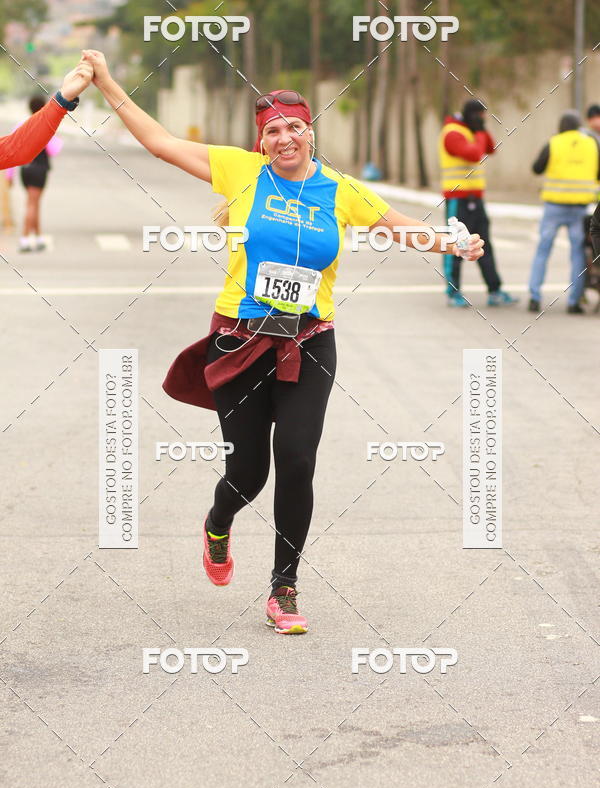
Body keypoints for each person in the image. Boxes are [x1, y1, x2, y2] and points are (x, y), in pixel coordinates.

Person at [83, 49, 484, 636]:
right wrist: (110, 82)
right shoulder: (241, 173)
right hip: (240, 339)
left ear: (310, 133)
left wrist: (452, 244)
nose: (284, 137)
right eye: (272, 130)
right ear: (262, 141)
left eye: (294, 126)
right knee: (247, 473)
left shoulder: (339, 190)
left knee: (297, 458)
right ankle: (218, 525)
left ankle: (284, 589)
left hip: (310, 340)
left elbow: (398, 226)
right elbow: (161, 142)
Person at [438, 99, 518, 308]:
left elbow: (491, 148)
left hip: (476, 199)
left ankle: (495, 290)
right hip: (458, 199)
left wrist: (481, 129)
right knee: (456, 246)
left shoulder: (473, 131)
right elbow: (474, 155)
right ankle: (452, 292)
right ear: (472, 115)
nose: (483, 121)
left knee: (485, 246)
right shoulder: (452, 133)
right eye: (480, 117)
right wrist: (480, 131)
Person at [528, 110, 600, 314]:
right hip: (579, 207)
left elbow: (536, 168)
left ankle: (534, 297)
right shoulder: (592, 143)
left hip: (554, 206)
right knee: (577, 253)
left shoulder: (554, 142)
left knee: (543, 250)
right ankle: (574, 301)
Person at [0, 60, 93, 171]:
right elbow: (53, 148)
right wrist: (61, 100)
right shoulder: (26, 125)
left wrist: (62, 100)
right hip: (41, 168)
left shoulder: (22, 125)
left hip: (28, 170)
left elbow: (12, 150)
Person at [5, 96, 63, 252]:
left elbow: (10, 149)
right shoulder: (45, 125)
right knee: (32, 204)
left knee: (34, 203)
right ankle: (24, 239)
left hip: (25, 169)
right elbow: (54, 149)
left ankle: (38, 237)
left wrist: (9, 177)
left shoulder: (21, 125)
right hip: (39, 169)